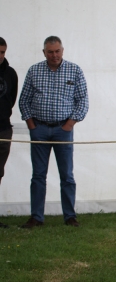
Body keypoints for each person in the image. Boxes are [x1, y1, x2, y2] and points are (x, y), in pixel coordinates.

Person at [19, 36, 89, 228]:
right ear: (44, 53)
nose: (54, 55)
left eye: (57, 51)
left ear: (62, 51)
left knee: (67, 175)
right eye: (50, 52)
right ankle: (36, 217)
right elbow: (24, 100)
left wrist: (69, 124)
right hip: (39, 129)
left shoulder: (74, 70)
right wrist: (31, 125)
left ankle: (69, 216)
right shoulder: (34, 71)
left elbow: (83, 100)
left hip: (63, 130)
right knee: (38, 176)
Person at [0, 37, 18, 229]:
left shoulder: (10, 74)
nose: (0, 56)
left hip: (3, 128)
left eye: (3, 52)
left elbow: (11, 99)